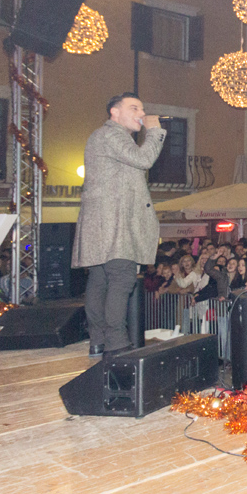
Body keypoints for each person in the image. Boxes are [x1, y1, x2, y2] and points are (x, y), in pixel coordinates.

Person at [72, 93, 165, 357]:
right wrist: (155, 130)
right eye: (134, 107)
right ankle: (116, 343)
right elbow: (144, 160)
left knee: (100, 280)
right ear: (114, 112)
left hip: (103, 221)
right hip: (114, 222)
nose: (141, 112)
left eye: (143, 108)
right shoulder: (112, 135)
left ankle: (99, 341)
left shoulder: (103, 137)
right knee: (122, 278)